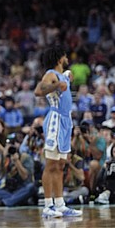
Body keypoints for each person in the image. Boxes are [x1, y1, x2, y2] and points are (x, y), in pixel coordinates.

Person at [34, 46, 82, 218]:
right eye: (65, 55)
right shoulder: (50, 75)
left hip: (66, 121)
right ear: (59, 58)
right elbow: (38, 91)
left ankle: (60, 204)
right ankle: (48, 205)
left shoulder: (63, 75)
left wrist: (66, 77)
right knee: (51, 164)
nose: (67, 57)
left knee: (61, 165)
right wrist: (55, 86)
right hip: (55, 119)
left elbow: (66, 78)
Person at [0, 134, 36, 207]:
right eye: (9, 144)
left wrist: (16, 161)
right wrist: (3, 156)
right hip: (7, 189)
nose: (11, 147)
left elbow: (25, 177)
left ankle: (9, 201)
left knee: (31, 187)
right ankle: (15, 200)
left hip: (21, 187)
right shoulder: (4, 157)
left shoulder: (25, 157)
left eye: (13, 144)